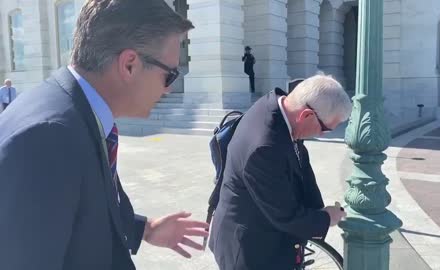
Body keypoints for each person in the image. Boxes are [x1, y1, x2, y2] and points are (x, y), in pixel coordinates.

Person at [0, 1, 208, 270]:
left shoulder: (76, 112)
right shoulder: (47, 138)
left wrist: (146, 229)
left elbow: (82, 208)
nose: (168, 89)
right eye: (169, 75)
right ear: (130, 65)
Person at [209, 74, 352, 270]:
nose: (321, 134)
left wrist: (316, 209)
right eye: (325, 129)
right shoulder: (264, 148)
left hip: (263, 230)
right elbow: (286, 216)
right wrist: (327, 218)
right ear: (307, 115)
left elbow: (301, 164)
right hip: (250, 250)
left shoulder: (281, 106)